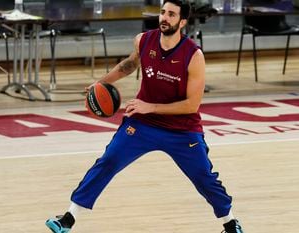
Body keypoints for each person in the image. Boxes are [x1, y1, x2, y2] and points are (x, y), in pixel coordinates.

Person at [45, 0, 244, 232]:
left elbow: (192, 105)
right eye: (162, 12)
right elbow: (129, 64)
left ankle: (230, 223)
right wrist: (101, 83)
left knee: (203, 177)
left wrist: (150, 106)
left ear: (182, 22)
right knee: (108, 161)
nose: (164, 18)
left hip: (181, 129)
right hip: (143, 124)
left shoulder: (194, 55)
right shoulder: (144, 40)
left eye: (171, 14)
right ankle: (68, 218)